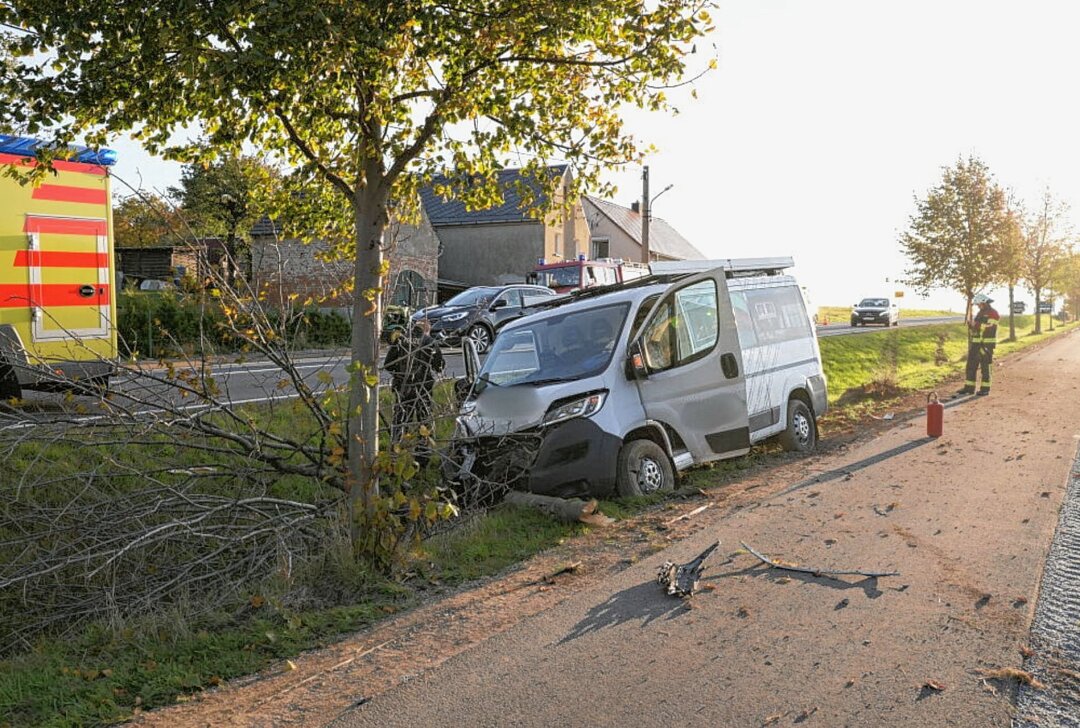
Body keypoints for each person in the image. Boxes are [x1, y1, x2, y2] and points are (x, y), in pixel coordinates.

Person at [384, 317, 445, 446]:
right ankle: (423, 453)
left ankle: (398, 448)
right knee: (424, 420)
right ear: (427, 330)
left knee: (401, 420)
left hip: (402, 387)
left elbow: (388, 364)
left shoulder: (400, 340)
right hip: (423, 387)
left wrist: (399, 374)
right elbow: (439, 366)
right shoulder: (429, 342)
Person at [961, 294, 999, 396]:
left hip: (986, 345)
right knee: (970, 365)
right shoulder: (980, 313)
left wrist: (976, 325)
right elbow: (977, 328)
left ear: (984, 302)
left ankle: (985, 389)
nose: (978, 306)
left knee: (985, 367)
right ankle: (969, 388)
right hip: (976, 344)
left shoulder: (993, 313)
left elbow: (990, 327)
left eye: (979, 304)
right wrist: (971, 326)